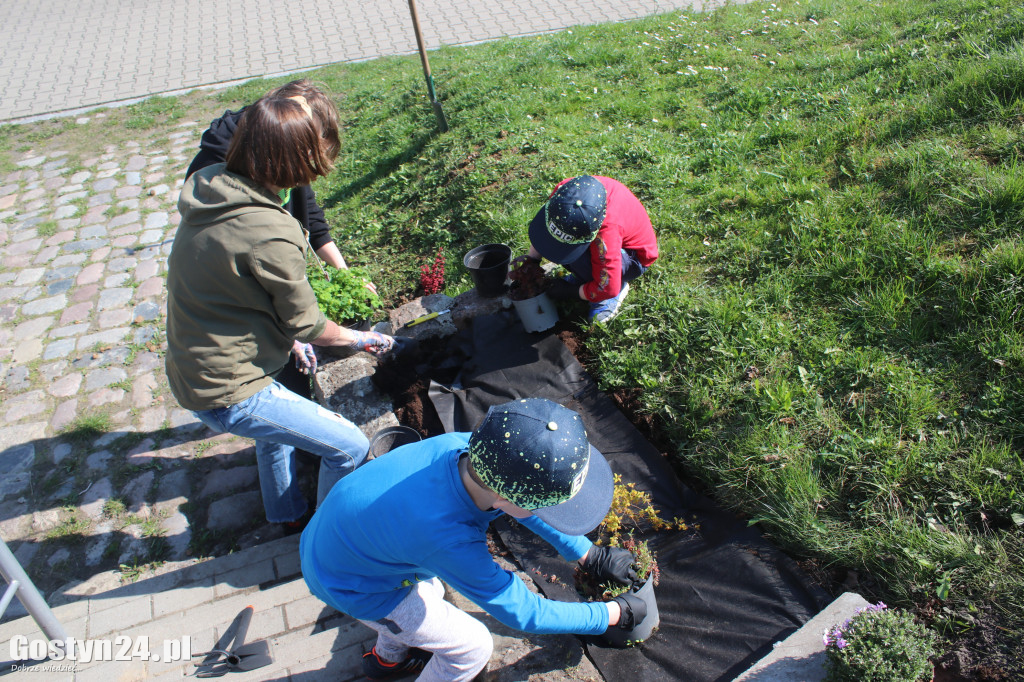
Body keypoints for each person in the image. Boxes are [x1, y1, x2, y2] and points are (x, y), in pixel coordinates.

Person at [166, 92, 395, 528]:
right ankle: (328, 536)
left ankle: (287, 515)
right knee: (348, 446)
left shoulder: (214, 184)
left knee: (274, 434)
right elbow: (309, 323)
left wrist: (286, 336)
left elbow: (242, 286)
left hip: (192, 363)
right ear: (295, 162)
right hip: (228, 387)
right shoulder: (270, 231)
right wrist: (365, 339)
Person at [300, 398, 648, 681]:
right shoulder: (447, 538)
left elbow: (524, 506)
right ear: (504, 501)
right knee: (472, 647)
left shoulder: (472, 451)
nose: (549, 512)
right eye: (545, 505)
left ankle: (387, 661)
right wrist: (608, 616)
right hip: (350, 583)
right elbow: (524, 614)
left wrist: (588, 554)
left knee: (430, 591)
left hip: (339, 539)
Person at [522, 175, 658, 323]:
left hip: (633, 256)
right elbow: (546, 229)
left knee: (585, 264)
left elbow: (608, 287)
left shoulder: (607, 231)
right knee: (565, 251)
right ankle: (585, 279)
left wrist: (570, 292)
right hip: (604, 238)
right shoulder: (565, 194)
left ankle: (616, 290)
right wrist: (532, 260)